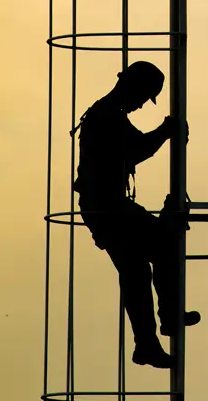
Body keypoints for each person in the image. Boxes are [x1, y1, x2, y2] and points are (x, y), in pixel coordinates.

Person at [73, 60, 200, 370]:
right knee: (163, 246)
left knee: (137, 271)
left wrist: (163, 133)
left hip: (105, 206)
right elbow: (136, 150)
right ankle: (165, 321)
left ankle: (149, 341)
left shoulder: (107, 113)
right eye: (144, 97)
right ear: (134, 88)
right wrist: (166, 131)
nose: (143, 105)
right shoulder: (106, 115)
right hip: (107, 207)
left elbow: (134, 147)